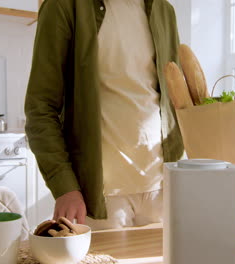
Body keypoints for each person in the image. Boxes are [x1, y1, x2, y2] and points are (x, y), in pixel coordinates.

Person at [24, 0, 184, 229]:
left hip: (163, 189)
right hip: (100, 200)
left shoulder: (164, 10)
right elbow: (41, 106)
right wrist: (65, 187)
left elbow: (177, 93)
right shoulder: (64, 6)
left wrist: (229, 103)